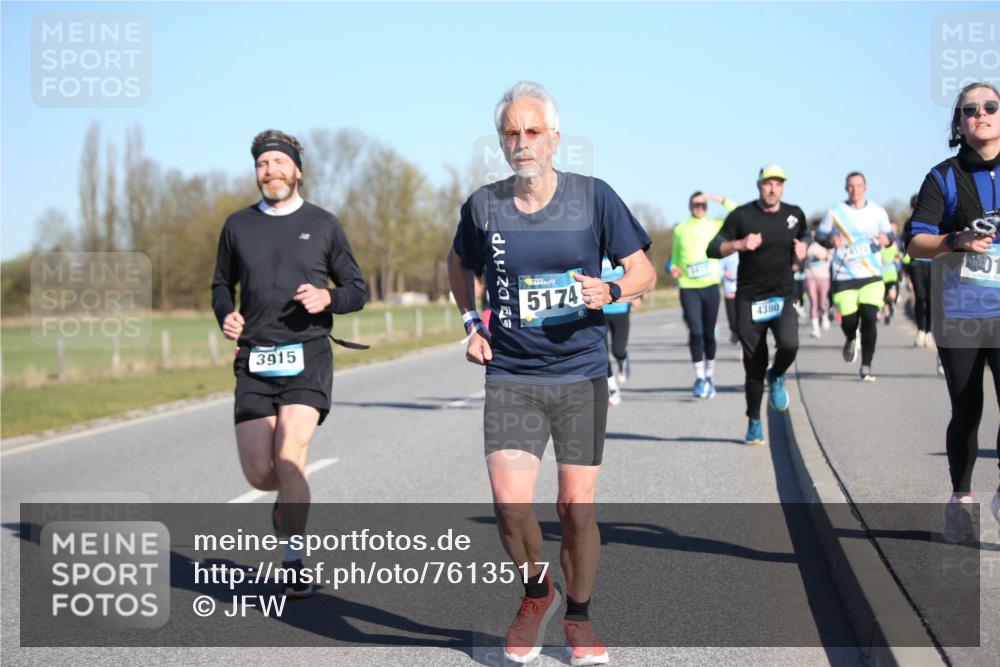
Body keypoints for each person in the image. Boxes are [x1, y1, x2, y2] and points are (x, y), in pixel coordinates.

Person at [447, 81, 655, 664]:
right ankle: (537, 593)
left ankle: (580, 618)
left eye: (533, 131)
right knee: (510, 505)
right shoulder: (483, 204)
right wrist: (471, 322)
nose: (522, 142)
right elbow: (459, 262)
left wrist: (610, 287)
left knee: (574, 508)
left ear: (555, 138)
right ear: (501, 141)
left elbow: (643, 272)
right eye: (511, 133)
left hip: (580, 370)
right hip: (511, 371)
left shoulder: (594, 198)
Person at [211, 130, 368, 596]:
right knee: (260, 473)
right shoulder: (238, 226)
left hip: (307, 355)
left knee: (289, 456)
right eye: (263, 164)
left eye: (280, 163)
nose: (271, 171)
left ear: (297, 170)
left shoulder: (323, 224)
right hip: (255, 360)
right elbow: (221, 284)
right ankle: (284, 505)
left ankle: (294, 559)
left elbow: (358, 290)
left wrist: (328, 297)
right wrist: (227, 314)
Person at [906, 81, 1000, 542]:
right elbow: (916, 242)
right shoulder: (942, 176)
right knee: (967, 410)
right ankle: (961, 498)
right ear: (958, 123)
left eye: (990, 106)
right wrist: (955, 240)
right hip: (961, 312)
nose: (980, 114)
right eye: (969, 110)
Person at [707, 165, 808, 445]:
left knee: (789, 344)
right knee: (754, 366)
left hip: (783, 295)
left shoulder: (794, 214)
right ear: (758, 185)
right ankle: (754, 420)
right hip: (750, 299)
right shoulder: (742, 215)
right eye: (768, 183)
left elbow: (806, 236)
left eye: (778, 183)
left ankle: (776, 376)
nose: (772, 188)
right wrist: (739, 244)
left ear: (783, 187)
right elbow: (713, 249)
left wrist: (804, 248)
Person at [815, 172, 893, 382]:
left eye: (858, 185)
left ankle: (866, 365)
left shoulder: (878, 212)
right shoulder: (835, 212)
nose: (855, 189)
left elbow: (890, 236)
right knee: (849, 320)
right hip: (844, 275)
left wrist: (887, 239)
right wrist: (831, 241)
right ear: (845, 188)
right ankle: (850, 337)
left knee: (869, 318)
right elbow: (820, 236)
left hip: (871, 274)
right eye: (850, 186)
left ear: (865, 187)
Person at [670, 191, 737, 398]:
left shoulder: (715, 225)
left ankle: (709, 375)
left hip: (710, 285)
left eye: (703, 205)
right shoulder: (680, 229)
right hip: (688, 286)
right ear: (690, 206)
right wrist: (673, 268)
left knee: (709, 332)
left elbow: (738, 213)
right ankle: (699, 377)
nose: (699, 207)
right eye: (696, 204)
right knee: (696, 331)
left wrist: (720, 199)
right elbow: (674, 258)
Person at [601, 256, 633, 406]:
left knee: (618, 350)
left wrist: (638, 295)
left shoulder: (620, 252)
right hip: (600, 310)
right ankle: (612, 388)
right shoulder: (594, 252)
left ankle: (623, 359)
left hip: (620, 308)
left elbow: (635, 274)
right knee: (602, 351)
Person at [803, 225, 832, 338]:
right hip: (810, 275)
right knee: (813, 301)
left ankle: (824, 315)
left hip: (823, 276)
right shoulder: (807, 245)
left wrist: (823, 257)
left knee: (822, 301)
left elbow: (831, 257)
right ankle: (815, 329)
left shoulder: (825, 245)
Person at [881, 222, 902, 325]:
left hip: (892, 276)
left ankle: (891, 305)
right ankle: (887, 315)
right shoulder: (879, 248)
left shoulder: (894, 246)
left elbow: (899, 256)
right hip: (882, 277)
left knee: (892, 295)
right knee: (884, 298)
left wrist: (899, 258)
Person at [720, 251, 740, 344]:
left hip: (742, 286)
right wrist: (724, 273)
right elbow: (718, 270)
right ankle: (734, 332)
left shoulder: (744, 252)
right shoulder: (726, 255)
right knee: (731, 314)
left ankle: (741, 332)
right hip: (730, 287)